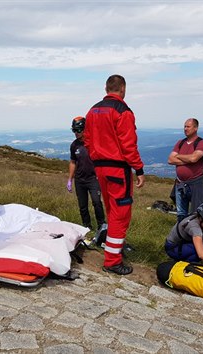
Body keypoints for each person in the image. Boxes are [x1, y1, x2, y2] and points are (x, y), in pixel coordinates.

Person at [84, 74, 145, 275]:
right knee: (121, 213)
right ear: (123, 89)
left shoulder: (93, 110)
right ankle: (112, 261)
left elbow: (87, 139)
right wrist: (139, 169)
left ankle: (113, 250)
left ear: (106, 89)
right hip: (118, 169)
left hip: (99, 168)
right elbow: (128, 145)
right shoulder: (123, 111)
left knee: (112, 210)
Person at [168, 118, 203, 224]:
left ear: (195, 128)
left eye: (188, 126)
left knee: (197, 213)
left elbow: (193, 158)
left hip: (195, 184)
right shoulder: (180, 142)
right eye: (185, 126)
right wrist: (189, 160)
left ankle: (196, 237)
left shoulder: (202, 143)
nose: (185, 129)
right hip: (180, 183)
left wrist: (179, 156)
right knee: (181, 214)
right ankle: (181, 236)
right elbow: (170, 160)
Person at [67, 116, 106, 232]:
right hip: (80, 180)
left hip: (93, 178)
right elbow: (73, 162)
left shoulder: (94, 142)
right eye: (74, 130)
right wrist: (70, 179)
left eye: (78, 130)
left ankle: (102, 226)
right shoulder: (74, 145)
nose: (76, 133)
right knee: (83, 206)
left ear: (85, 129)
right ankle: (87, 227)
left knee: (97, 202)